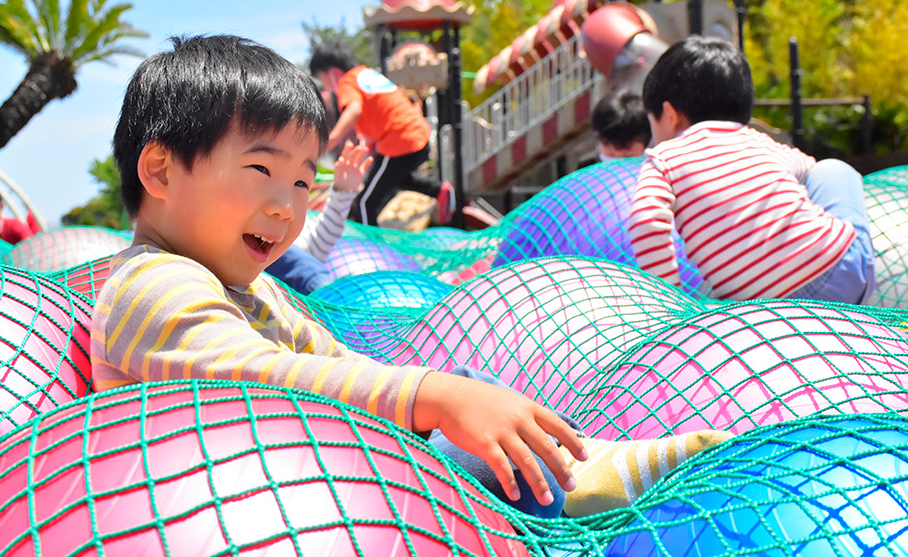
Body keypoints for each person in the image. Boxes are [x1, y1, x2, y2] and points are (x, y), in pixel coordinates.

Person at [93, 34, 730, 520]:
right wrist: (434, 396)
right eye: (262, 171)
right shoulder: (154, 284)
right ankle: (564, 479)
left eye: (300, 181)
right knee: (446, 408)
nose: (286, 208)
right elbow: (268, 378)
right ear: (161, 171)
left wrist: (446, 394)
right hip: (236, 509)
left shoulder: (248, 287)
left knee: (463, 398)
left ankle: (576, 459)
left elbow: (330, 356)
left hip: (297, 483)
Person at [627, 35, 876, 303]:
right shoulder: (759, 141)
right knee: (832, 169)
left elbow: (646, 221)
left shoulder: (664, 157)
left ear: (670, 114)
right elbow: (809, 169)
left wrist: (674, 303)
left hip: (755, 310)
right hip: (838, 274)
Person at [309, 40, 455, 226]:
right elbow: (379, 116)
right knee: (396, 178)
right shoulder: (366, 74)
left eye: (322, 80)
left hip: (400, 142)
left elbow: (354, 110)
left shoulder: (347, 83)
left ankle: (372, 249)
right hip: (417, 137)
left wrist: (330, 140)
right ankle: (440, 191)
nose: (326, 87)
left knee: (364, 202)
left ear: (333, 73)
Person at [265, 139, 372, 293]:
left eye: (301, 183)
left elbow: (320, 243)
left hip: (309, 279)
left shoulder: (300, 231)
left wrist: (343, 191)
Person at [578, 89, 652, 169]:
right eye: (610, 155)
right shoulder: (587, 168)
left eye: (628, 157)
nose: (618, 165)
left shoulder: (657, 168)